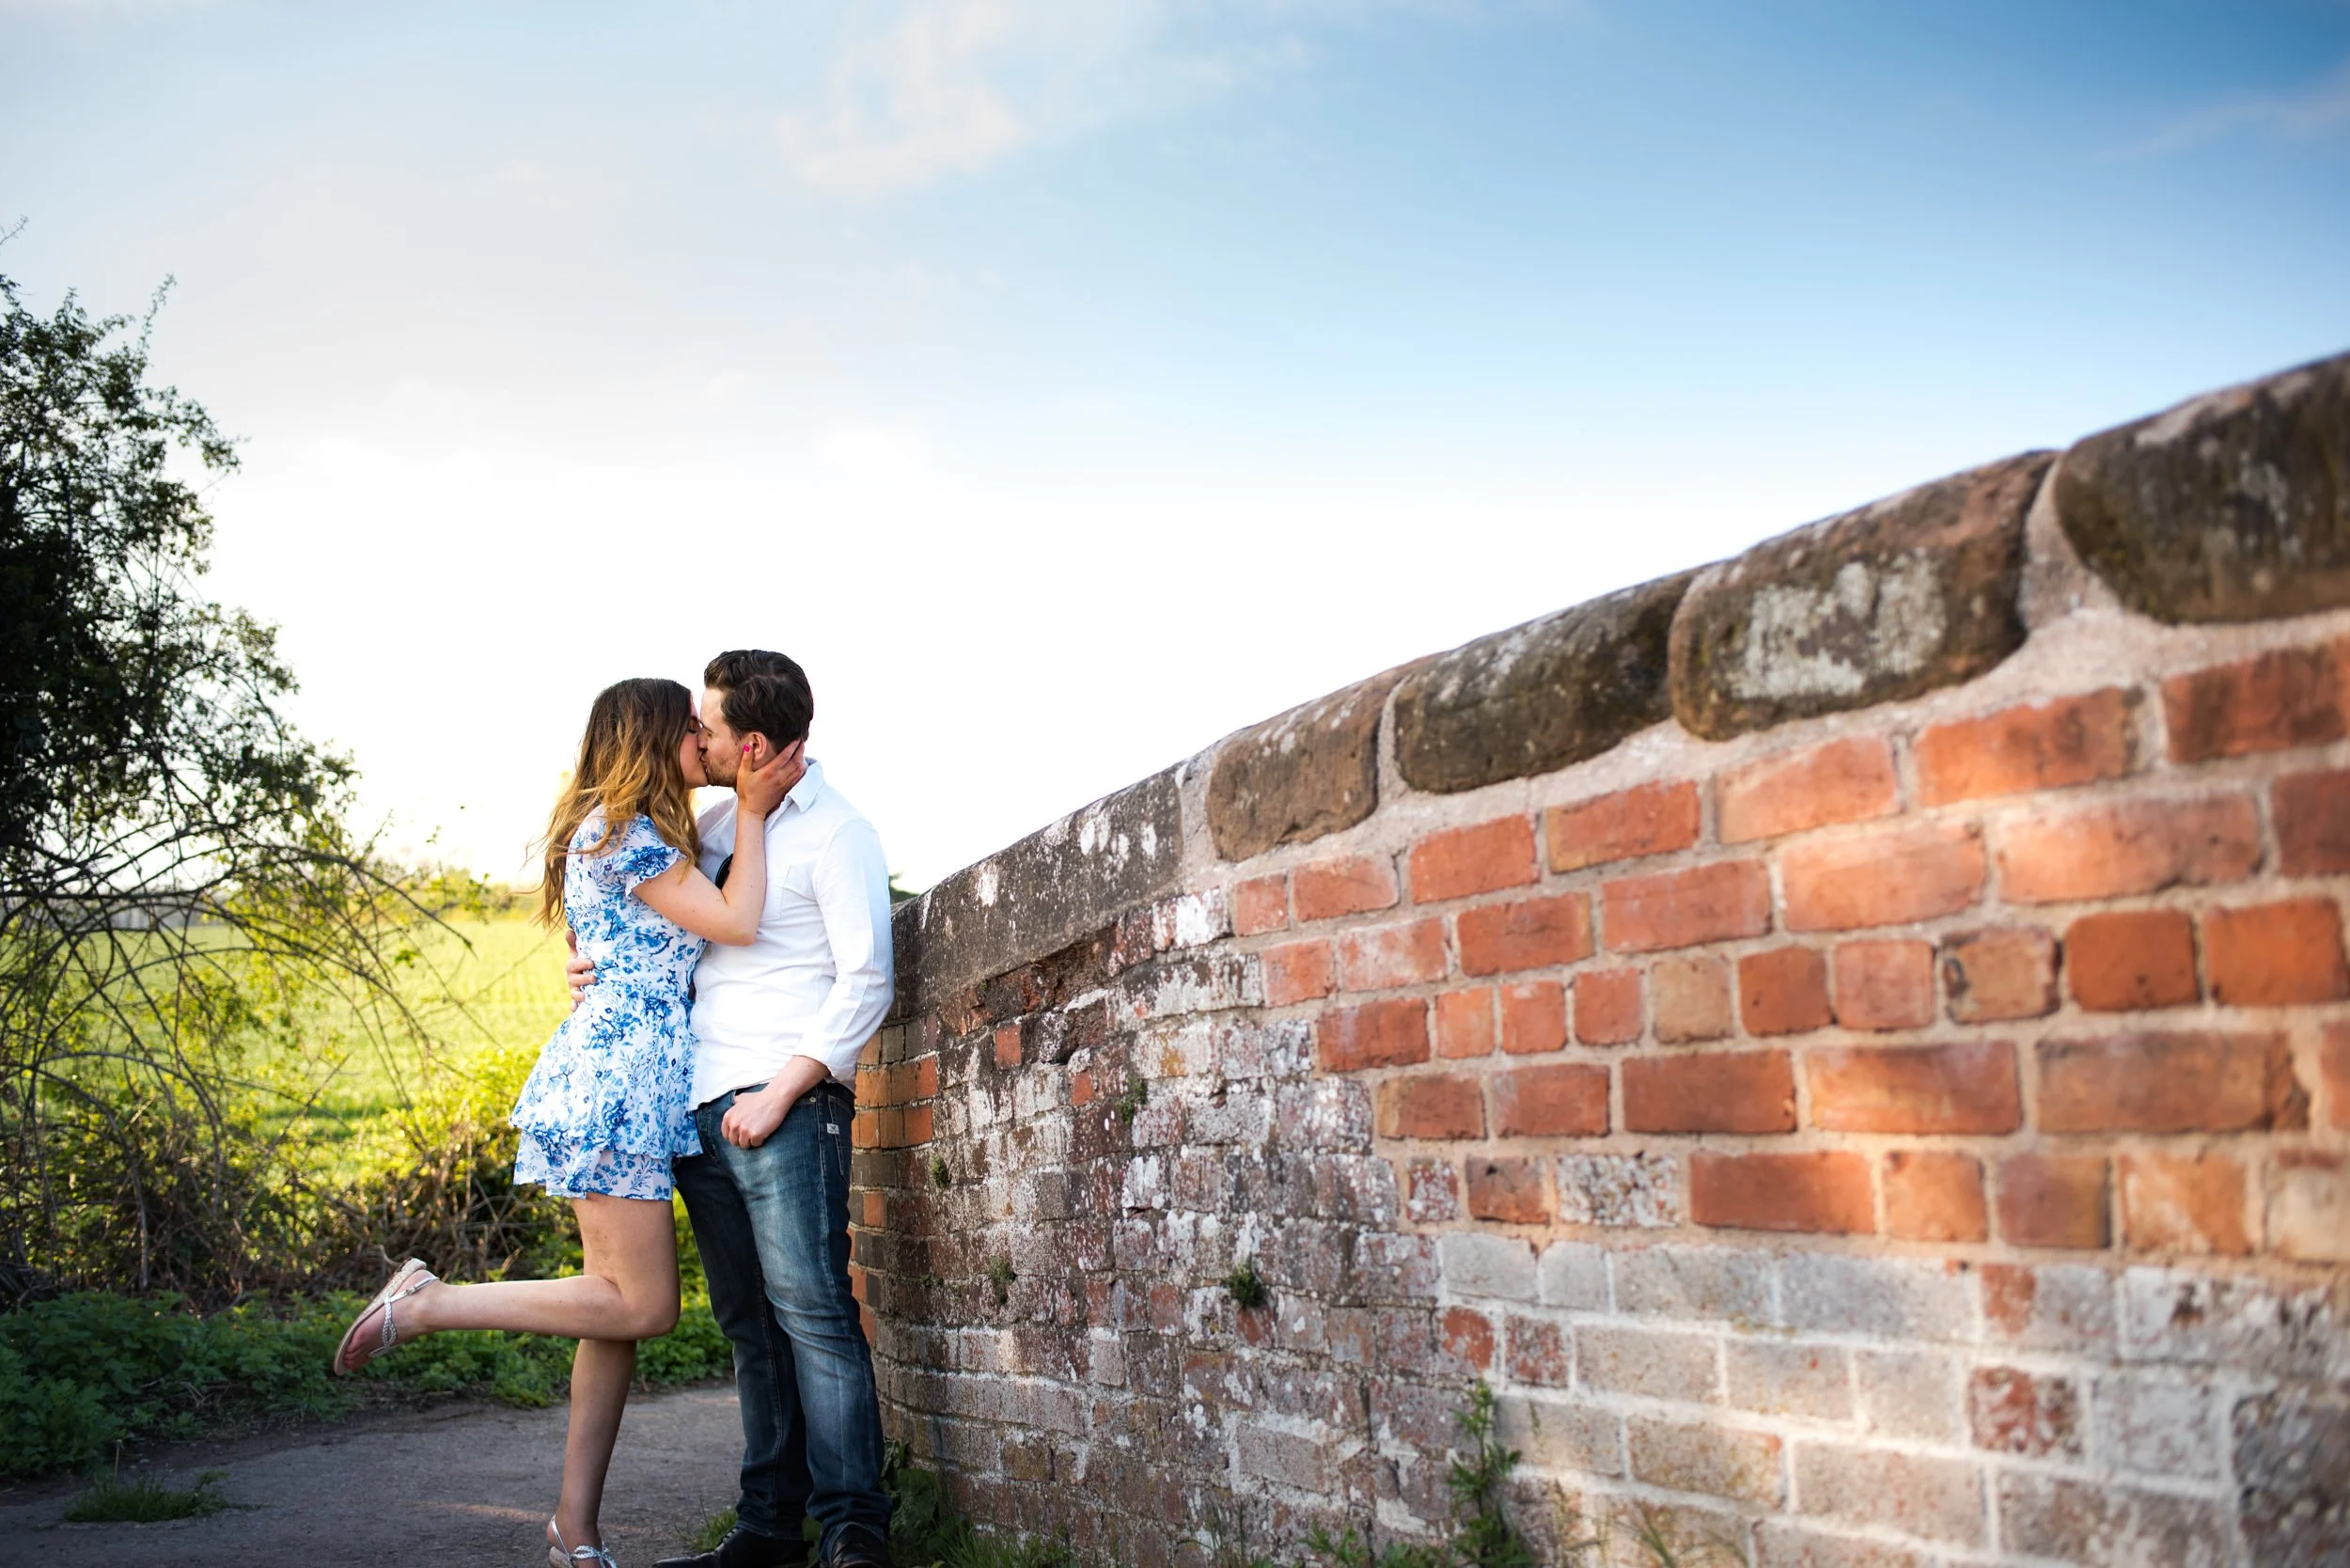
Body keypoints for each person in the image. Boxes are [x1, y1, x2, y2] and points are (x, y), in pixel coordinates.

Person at [333, 677, 796, 1568]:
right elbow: (738, 923)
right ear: (655, 738)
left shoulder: (626, 834)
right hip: (617, 1084)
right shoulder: (625, 835)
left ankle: (570, 1530)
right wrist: (754, 805)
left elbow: (632, 949)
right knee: (646, 1306)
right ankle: (428, 1306)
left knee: (611, 1314)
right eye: (693, 731)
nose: (707, 741)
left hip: (623, 1079)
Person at [576, 652, 897, 1568]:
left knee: (814, 1314)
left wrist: (784, 1089)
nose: (696, 739)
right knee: (749, 1328)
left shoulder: (839, 836)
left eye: (705, 727)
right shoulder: (719, 825)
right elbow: (665, 931)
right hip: (696, 1112)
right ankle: (765, 1532)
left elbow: (866, 980)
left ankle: (852, 1530)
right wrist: (588, 972)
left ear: (748, 742)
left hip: (784, 1106)